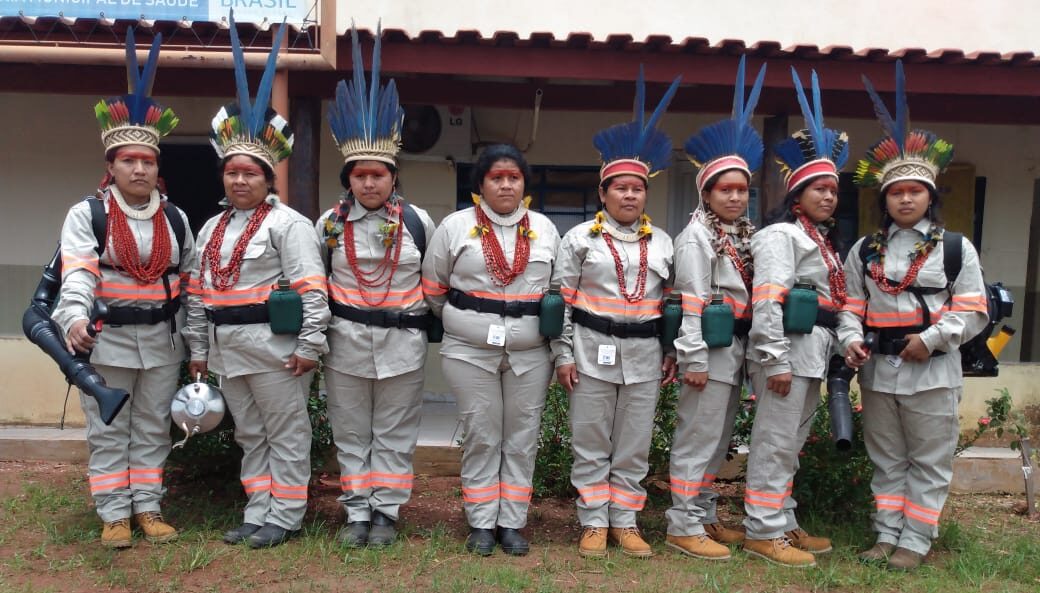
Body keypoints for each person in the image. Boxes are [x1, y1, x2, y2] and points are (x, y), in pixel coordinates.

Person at [183, 17, 329, 550]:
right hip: (228, 352)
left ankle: (285, 516)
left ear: (268, 178)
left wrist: (310, 345)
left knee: (285, 433)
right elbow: (199, 296)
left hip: (276, 351)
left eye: (250, 172)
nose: (239, 179)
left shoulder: (288, 225)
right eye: (232, 172)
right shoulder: (210, 228)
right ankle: (256, 510)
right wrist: (199, 351)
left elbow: (313, 290)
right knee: (249, 434)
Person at [839, 61, 988, 572]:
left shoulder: (955, 248)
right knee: (886, 458)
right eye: (896, 192)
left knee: (928, 459)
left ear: (929, 196)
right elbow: (851, 306)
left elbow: (973, 309)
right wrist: (850, 340)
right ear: (884, 198)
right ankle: (886, 534)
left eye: (914, 191)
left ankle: (916, 540)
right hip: (879, 372)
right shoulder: (864, 249)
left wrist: (933, 339)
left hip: (932, 372)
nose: (905, 198)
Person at [51, 29, 191, 549]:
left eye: (148, 161)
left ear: (157, 168)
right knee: (109, 426)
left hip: (161, 343)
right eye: (129, 160)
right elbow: (78, 273)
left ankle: (148, 507)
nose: (139, 169)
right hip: (106, 342)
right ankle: (114, 514)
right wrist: (73, 319)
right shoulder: (87, 214)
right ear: (110, 166)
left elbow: (189, 284)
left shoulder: (175, 219)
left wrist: (195, 344)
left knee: (153, 426)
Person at [551, 67, 681, 559]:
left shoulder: (663, 242)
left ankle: (625, 521)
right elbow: (560, 300)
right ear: (603, 193)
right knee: (590, 440)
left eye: (637, 189)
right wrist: (563, 354)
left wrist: (671, 350)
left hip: (644, 356)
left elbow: (671, 303)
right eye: (620, 188)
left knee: (633, 444)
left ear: (646, 194)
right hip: (590, 352)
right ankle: (592, 521)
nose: (629, 195)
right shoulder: (579, 239)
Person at [318, 26, 437, 548]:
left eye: (379, 174)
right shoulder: (327, 224)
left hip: (402, 347)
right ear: (348, 178)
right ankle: (356, 513)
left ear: (393, 176)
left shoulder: (418, 222)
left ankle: (386, 511)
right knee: (350, 431)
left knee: (394, 431)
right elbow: (316, 284)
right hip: (344, 345)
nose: (369, 183)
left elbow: (435, 283)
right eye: (360, 175)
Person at [422, 144, 560, 556]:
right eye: (496, 178)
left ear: (524, 183)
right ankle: (481, 522)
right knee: (482, 435)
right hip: (469, 350)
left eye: (513, 177)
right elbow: (433, 287)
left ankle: (512, 522)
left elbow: (558, 289)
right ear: (480, 184)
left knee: (522, 437)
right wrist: (470, 321)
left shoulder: (544, 228)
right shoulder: (455, 226)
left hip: (530, 352)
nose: (505, 185)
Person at [742, 68, 850, 568]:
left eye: (833, 190)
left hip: (813, 353)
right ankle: (762, 531)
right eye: (818, 189)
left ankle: (783, 519)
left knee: (792, 444)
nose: (828, 197)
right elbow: (768, 300)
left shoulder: (821, 241)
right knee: (774, 443)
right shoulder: (780, 237)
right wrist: (775, 359)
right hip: (786, 354)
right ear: (796, 195)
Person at [666, 57, 765, 561]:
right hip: (709, 349)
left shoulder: (743, 235)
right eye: (725, 189)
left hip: (737, 347)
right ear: (706, 192)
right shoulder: (696, 237)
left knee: (719, 437)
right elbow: (691, 301)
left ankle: (703, 513)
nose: (735, 197)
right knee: (698, 436)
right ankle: (682, 524)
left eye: (742, 189)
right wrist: (695, 358)